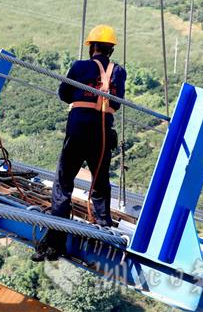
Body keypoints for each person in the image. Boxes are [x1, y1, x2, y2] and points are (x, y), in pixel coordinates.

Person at [32, 24, 126, 261]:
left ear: (92, 47)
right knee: (100, 181)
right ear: (111, 50)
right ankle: (104, 225)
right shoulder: (119, 72)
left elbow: (64, 94)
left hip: (78, 130)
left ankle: (57, 229)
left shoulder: (80, 66)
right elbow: (115, 104)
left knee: (63, 181)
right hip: (103, 132)